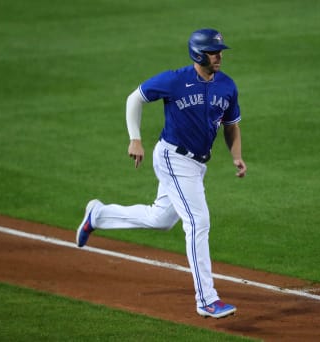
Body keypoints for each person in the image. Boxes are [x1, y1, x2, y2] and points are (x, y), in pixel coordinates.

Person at [76, 28, 247, 319]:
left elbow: (230, 124)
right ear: (197, 53)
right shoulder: (175, 80)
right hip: (172, 157)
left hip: (197, 165)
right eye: (213, 51)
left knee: (161, 220)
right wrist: (135, 138)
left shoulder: (227, 86)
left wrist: (237, 156)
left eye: (219, 51)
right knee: (198, 221)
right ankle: (206, 299)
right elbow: (135, 98)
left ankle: (98, 215)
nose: (219, 56)